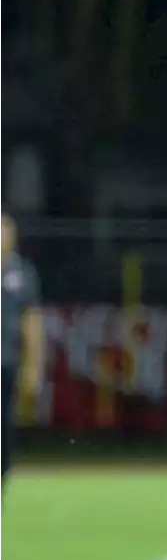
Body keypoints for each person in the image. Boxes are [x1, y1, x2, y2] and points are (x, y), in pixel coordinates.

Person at [0, 211, 43, 510]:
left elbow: (32, 323)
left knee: (3, 435)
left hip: (5, 365)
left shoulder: (22, 274)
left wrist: (33, 368)